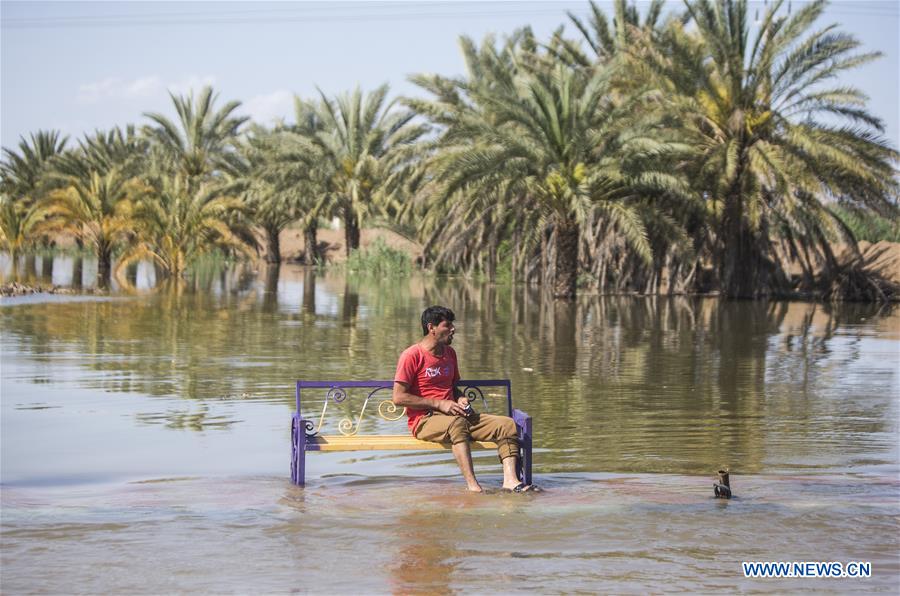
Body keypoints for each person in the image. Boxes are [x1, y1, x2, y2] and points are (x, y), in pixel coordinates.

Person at [392, 305, 535, 492]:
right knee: (457, 424)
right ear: (431, 328)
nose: (453, 329)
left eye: (452, 324)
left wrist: (461, 398)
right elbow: (398, 397)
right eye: (447, 325)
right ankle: (473, 486)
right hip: (424, 420)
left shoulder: (450, 354)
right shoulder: (412, 355)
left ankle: (511, 482)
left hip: (456, 416)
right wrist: (439, 404)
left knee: (506, 425)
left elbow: (453, 388)